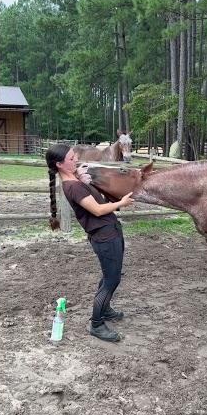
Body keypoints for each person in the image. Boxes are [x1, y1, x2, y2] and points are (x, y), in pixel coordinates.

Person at [46, 144, 135, 342]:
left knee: (109, 276)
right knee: (112, 280)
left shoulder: (74, 181)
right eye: (70, 158)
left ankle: (106, 309)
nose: (75, 159)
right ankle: (96, 324)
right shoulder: (73, 187)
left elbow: (98, 202)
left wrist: (81, 176)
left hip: (109, 232)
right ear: (59, 164)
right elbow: (97, 210)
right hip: (104, 237)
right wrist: (122, 203)